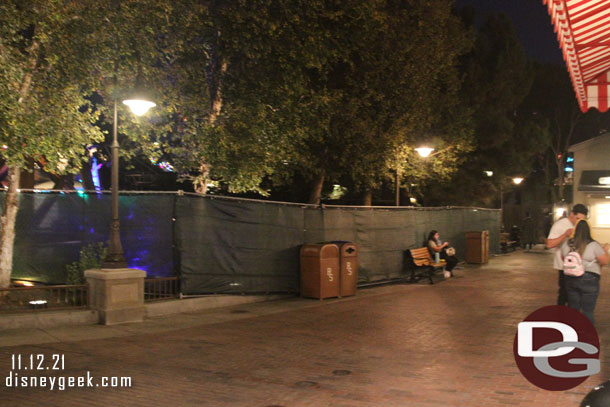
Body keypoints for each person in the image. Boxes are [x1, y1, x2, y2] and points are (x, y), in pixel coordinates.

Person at [559, 219, 609, 324]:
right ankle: (587, 335)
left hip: (570, 277)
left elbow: (564, 258)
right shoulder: (593, 245)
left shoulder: (567, 243)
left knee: (573, 308)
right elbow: (605, 261)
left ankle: (572, 334)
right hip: (590, 277)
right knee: (588, 311)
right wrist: (604, 251)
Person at [546, 203, 589, 305]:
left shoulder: (581, 226)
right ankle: (561, 317)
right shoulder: (560, 225)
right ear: (571, 214)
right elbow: (549, 244)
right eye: (577, 218)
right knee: (564, 294)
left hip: (577, 267)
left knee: (575, 296)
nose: (579, 222)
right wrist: (565, 235)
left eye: (582, 220)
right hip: (564, 267)